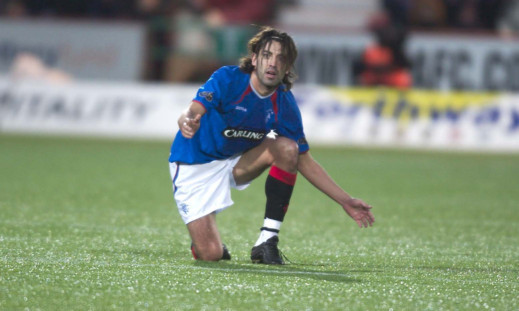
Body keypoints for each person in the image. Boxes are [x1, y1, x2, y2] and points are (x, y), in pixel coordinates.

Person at [168, 26, 375, 265]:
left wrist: (345, 200)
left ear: (288, 67)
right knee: (211, 254)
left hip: (235, 163)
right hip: (195, 164)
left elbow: (304, 159)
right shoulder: (228, 79)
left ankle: (266, 240)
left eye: (281, 58)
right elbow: (193, 109)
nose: (273, 63)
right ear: (255, 59)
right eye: (267, 55)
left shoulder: (283, 101)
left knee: (287, 149)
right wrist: (187, 121)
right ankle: (203, 239)